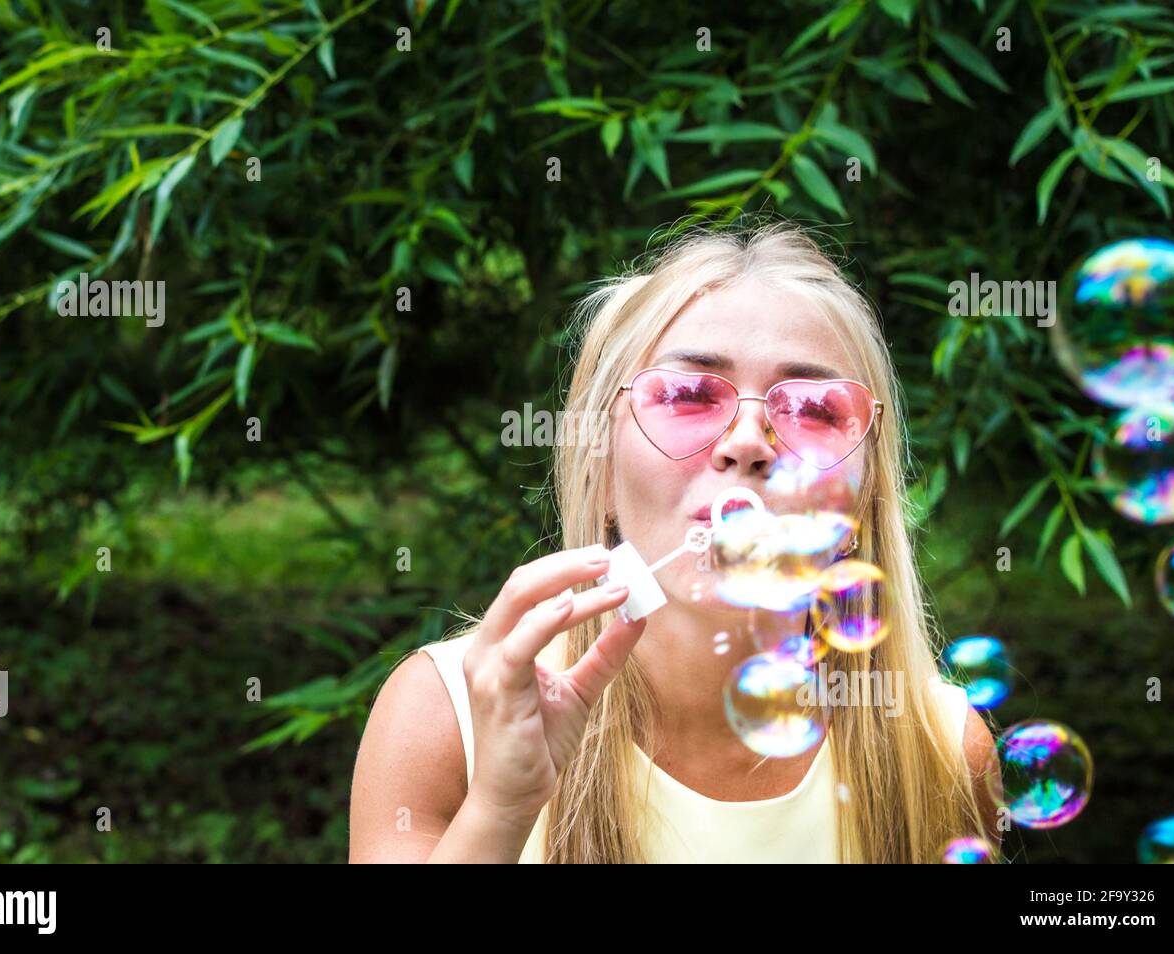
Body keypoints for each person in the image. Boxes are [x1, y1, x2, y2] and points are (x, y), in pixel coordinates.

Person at [349, 219, 1002, 863]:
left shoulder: (941, 755)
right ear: (600, 468)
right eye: (689, 394)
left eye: (812, 410)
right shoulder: (448, 717)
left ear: (861, 491)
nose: (749, 441)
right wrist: (501, 807)